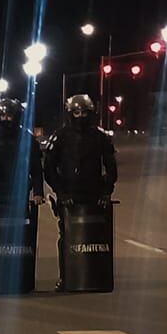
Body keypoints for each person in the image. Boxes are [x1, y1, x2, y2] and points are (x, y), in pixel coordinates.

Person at [44, 93, 118, 290]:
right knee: (67, 236)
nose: (80, 116)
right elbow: (49, 167)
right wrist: (60, 192)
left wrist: (106, 191)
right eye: (76, 112)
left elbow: (111, 166)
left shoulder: (101, 137)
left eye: (84, 112)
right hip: (69, 194)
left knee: (96, 238)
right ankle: (67, 276)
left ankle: (96, 277)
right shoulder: (60, 136)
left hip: (93, 193)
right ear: (70, 113)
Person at [0, 95, 43, 286]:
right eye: (3, 116)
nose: (7, 120)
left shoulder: (28, 139)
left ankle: (22, 279)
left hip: (20, 197)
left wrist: (38, 192)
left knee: (21, 241)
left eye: (10, 116)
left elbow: (37, 168)